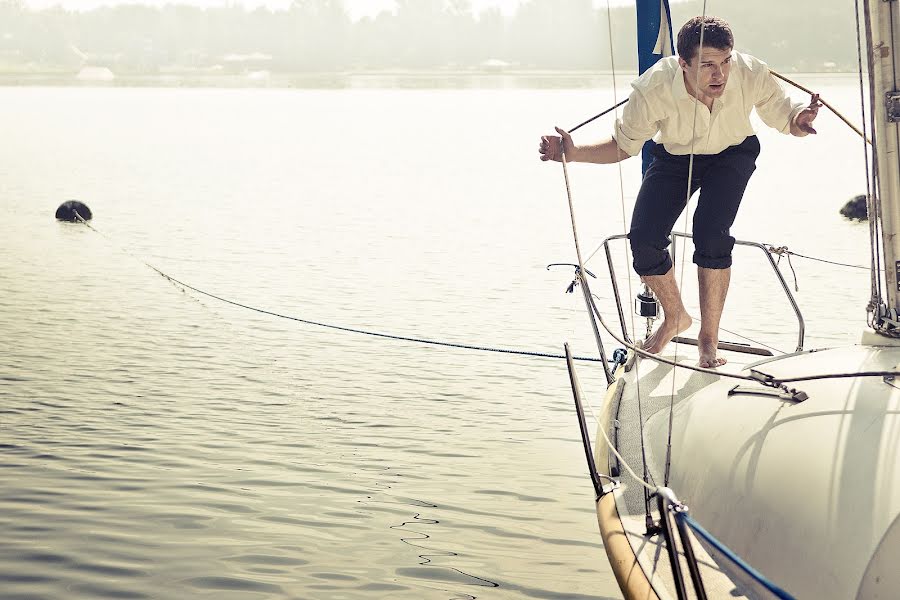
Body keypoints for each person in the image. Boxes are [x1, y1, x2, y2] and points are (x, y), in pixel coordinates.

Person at [538, 15, 820, 368]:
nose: (720, 74)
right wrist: (573, 152)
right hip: (675, 157)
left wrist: (799, 121)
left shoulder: (750, 72)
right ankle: (675, 317)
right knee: (643, 238)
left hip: (732, 153)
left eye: (725, 62)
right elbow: (624, 147)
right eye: (707, 66)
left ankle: (708, 339)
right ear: (682, 63)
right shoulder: (653, 89)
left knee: (711, 233)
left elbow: (783, 116)